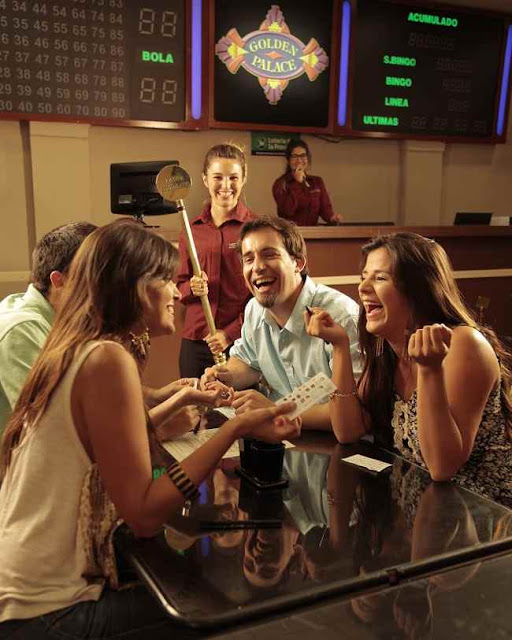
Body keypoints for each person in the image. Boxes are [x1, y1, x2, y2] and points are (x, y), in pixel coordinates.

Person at [0, 218, 298, 639]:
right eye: (166, 279)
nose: (177, 292)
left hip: (21, 590)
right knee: (225, 611)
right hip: (42, 611)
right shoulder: (106, 359)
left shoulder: (81, 348)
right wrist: (234, 429)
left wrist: (190, 406)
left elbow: (122, 454)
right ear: (133, 287)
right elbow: (143, 514)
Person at [306, 232, 512, 506]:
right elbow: (348, 431)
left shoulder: (463, 343)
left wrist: (429, 370)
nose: (363, 288)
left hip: (487, 511)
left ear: (418, 288)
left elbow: (442, 467)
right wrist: (340, 346)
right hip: (425, 504)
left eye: (380, 278)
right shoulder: (387, 348)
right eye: (363, 277)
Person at [202, 216, 361, 431]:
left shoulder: (341, 317)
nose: (257, 267)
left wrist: (275, 410)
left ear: (298, 263)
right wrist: (225, 377)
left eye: (269, 255)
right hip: (284, 437)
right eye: (248, 259)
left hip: (336, 443)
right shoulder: (254, 309)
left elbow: (354, 413)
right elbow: (248, 361)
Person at [0, 221, 97, 436]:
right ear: (58, 281)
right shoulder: (21, 329)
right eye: (95, 275)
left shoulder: (63, 318)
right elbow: (48, 428)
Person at [176, 143, 255, 379]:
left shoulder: (256, 229)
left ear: (243, 179)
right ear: (205, 180)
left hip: (241, 342)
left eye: (233, 178)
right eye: (218, 177)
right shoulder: (191, 230)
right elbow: (180, 287)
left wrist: (229, 334)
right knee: (192, 401)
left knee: (238, 403)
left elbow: (262, 297)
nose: (226, 186)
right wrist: (192, 287)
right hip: (196, 340)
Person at [272, 139, 343, 226]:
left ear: (308, 158)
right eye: (294, 156)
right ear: (288, 160)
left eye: (303, 156)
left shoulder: (316, 182)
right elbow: (288, 210)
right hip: (290, 232)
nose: (299, 160)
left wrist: (333, 218)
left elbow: (325, 209)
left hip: (312, 231)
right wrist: (297, 183)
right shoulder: (280, 183)